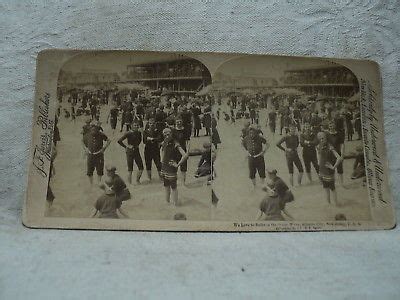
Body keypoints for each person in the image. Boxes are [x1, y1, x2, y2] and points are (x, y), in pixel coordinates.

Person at [160, 128, 188, 205]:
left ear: (171, 134)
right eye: (165, 134)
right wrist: (161, 160)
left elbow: (185, 155)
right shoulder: (164, 142)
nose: (166, 136)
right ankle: (167, 202)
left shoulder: (176, 143)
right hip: (164, 167)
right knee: (166, 186)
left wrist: (178, 164)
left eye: (168, 134)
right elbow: (162, 150)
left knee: (173, 187)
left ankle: (175, 204)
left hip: (171, 168)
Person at [317, 131, 343, 206]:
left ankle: (336, 204)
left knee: (332, 188)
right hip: (322, 170)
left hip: (329, 171)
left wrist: (333, 167)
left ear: (326, 138)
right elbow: (319, 155)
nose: (322, 140)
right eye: (320, 139)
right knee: (325, 188)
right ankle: (328, 204)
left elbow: (339, 158)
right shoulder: (320, 145)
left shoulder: (330, 147)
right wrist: (319, 163)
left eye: (323, 138)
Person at [173, 116, 190, 184]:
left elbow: (188, 141)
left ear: (182, 122)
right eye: (177, 122)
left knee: (183, 168)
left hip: (183, 149)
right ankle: (175, 183)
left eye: (180, 121)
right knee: (174, 167)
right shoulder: (173, 130)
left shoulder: (185, 130)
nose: (179, 123)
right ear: (175, 122)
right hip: (175, 150)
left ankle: (183, 183)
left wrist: (188, 151)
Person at [327, 121, 345, 186]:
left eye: (332, 125)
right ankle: (332, 184)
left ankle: (341, 184)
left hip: (338, 153)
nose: (331, 127)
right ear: (328, 126)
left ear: (335, 125)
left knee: (340, 169)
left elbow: (342, 144)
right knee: (331, 169)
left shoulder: (339, 133)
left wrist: (342, 155)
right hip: (330, 154)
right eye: (330, 126)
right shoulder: (327, 134)